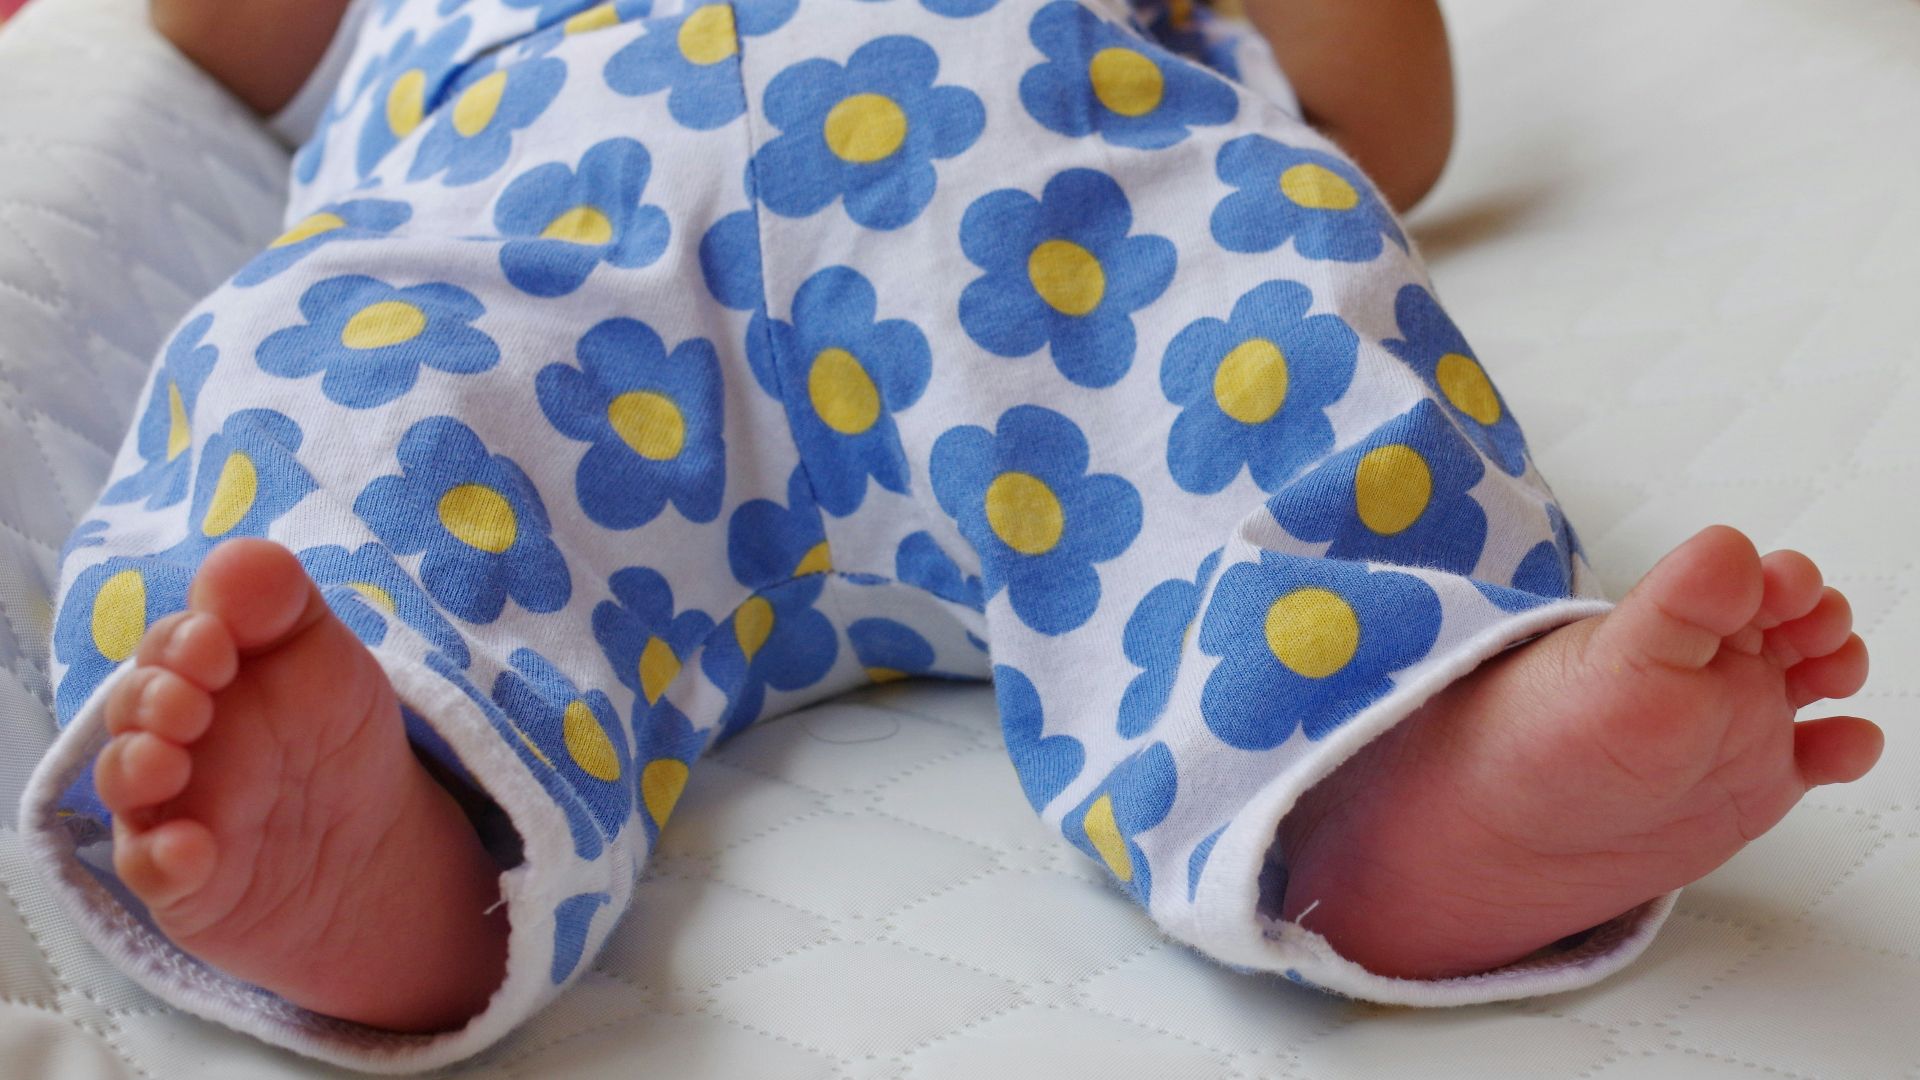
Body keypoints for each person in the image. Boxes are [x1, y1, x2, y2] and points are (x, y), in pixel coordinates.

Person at [23, 0, 1881, 1068]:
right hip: (539, 247)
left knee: (1260, 271)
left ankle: (1401, 753)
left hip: (1047, 217)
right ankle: (401, 798)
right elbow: (231, 24)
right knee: (341, 388)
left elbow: (1380, 127)